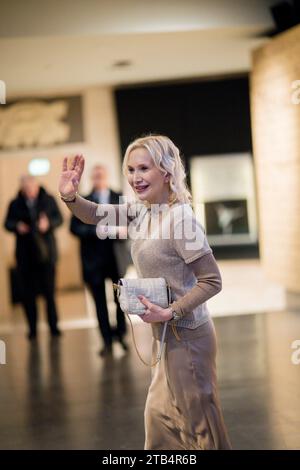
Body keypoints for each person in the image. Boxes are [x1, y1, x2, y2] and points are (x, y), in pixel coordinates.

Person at [58, 135, 232, 450]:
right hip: (164, 336)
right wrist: (70, 196)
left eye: (144, 168)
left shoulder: (182, 220)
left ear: (166, 172)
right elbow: (94, 214)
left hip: (188, 338)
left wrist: (171, 311)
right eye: (131, 169)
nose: (135, 177)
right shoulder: (143, 211)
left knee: (202, 428)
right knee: (158, 421)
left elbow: (212, 280)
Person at [70, 165, 129, 357]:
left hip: (115, 260)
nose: (98, 178)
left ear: (107, 176)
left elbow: (129, 224)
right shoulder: (83, 200)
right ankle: (106, 340)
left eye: (101, 175)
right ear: (91, 179)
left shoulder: (119, 197)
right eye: (95, 176)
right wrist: (96, 231)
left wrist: (121, 231)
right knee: (100, 303)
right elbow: (74, 228)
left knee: (120, 299)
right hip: (94, 262)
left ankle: (121, 335)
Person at [4, 175, 63, 340]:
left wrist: (48, 224)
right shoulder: (15, 203)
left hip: (47, 254)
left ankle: (54, 327)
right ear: (22, 189)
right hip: (25, 256)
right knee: (28, 295)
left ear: (37, 187)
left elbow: (59, 219)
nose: (30, 192)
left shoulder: (49, 200)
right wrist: (17, 226)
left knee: (49, 293)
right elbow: (6, 223)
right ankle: (32, 329)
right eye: (26, 189)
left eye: (32, 189)